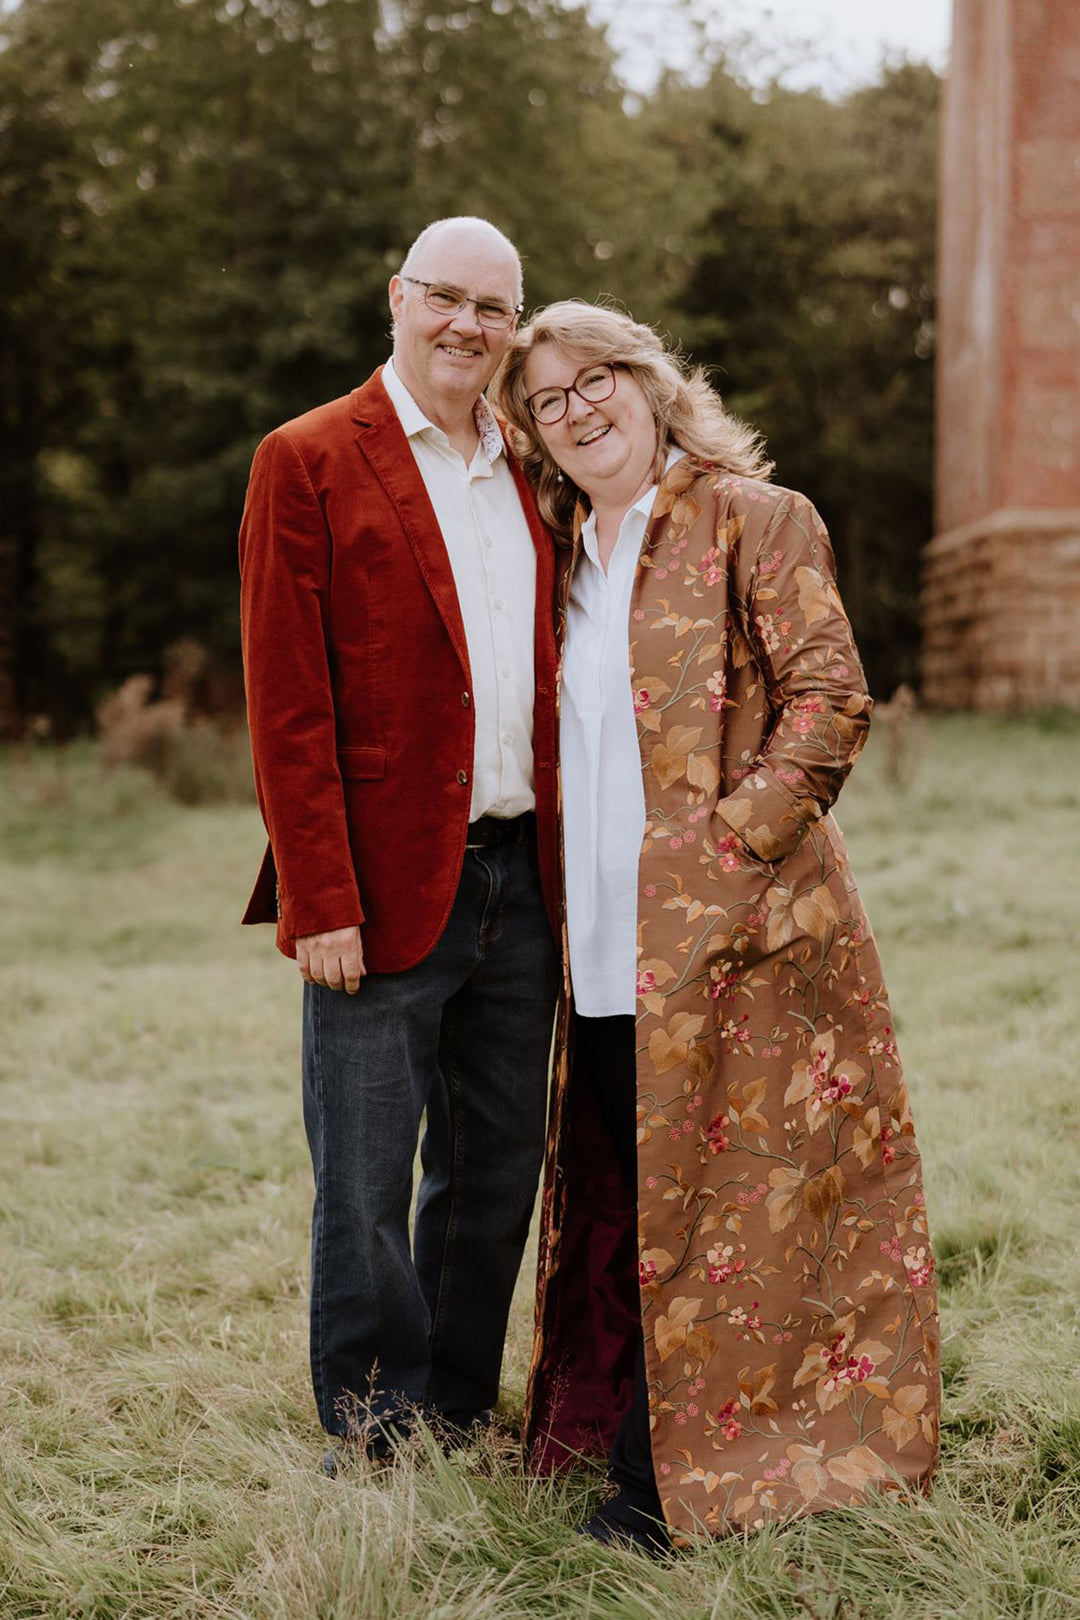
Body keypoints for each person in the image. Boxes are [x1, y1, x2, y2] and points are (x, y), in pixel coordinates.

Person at [492, 302, 940, 1551]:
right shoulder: (567, 552)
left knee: (741, 1200)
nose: (578, 411)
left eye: (596, 382)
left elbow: (830, 698)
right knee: (633, 1193)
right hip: (600, 940)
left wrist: (725, 852)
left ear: (650, 383)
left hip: (742, 931)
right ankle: (625, 1422)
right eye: (549, 401)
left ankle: (666, 1479)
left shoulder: (754, 517)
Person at [238, 217, 561, 1466]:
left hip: (518, 880)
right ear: (398, 298)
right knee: (367, 1182)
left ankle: (457, 1409)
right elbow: (288, 703)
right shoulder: (309, 458)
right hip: (373, 885)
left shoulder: (529, 467)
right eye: (446, 298)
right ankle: (373, 1426)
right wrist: (316, 898)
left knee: (494, 1173)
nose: (467, 326)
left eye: (493, 308)